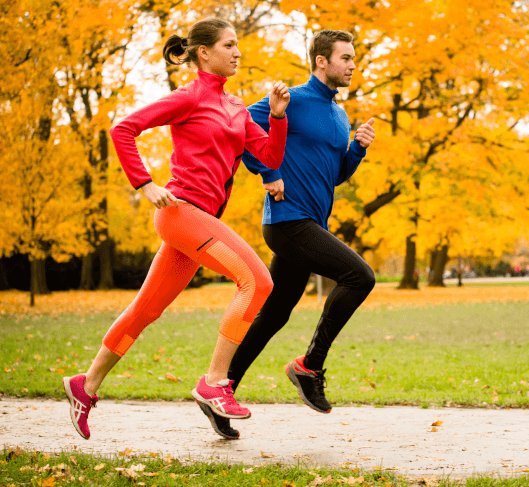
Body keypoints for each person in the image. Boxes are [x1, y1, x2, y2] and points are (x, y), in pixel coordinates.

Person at [62, 18, 291, 440]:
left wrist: (277, 116)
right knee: (257, 281)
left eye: (237, 45)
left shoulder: (237, 107)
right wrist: (144, 183)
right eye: (229, 45)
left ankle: (86, 384)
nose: (238, 52)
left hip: (200, 222)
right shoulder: (187, 97)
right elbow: (123, 129)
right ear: (204, 53)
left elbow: (270, 156)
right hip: (179, 211)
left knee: (146, 309)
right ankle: (215, 383)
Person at [199, 29, 376, 439]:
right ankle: (309, 366)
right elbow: (242, 130)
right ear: (321, 61)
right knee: (360, 276)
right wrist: (269, 173)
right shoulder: (292, 99)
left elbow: (336, 176)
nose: (352, 65)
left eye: (353, 59)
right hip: (287, 221)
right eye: (345, 58)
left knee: (275, 313)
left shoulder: (339, 114)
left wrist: (357, 150)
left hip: (310, 222)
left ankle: (220, 391)